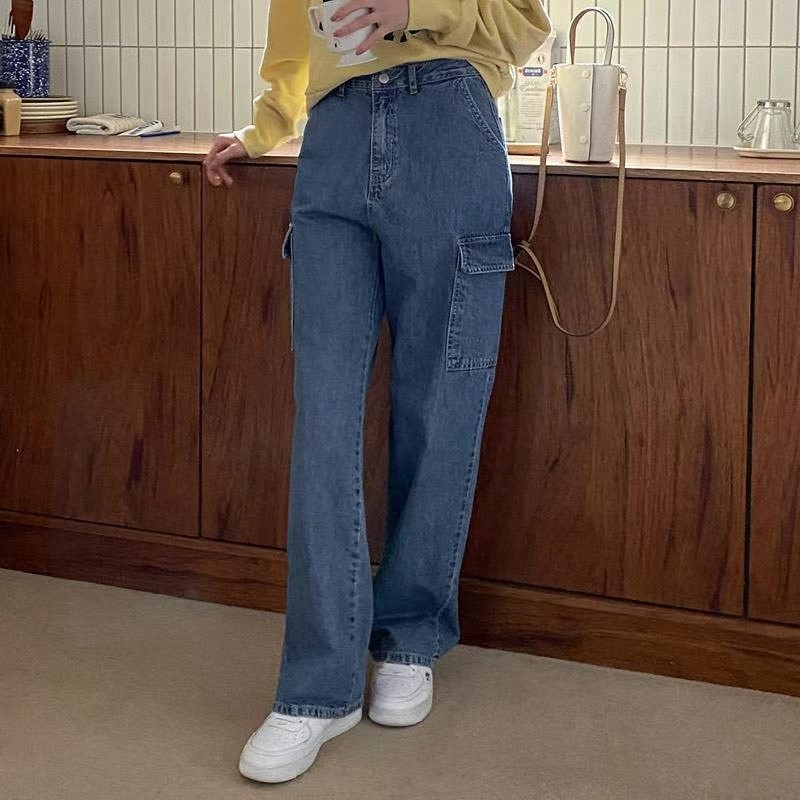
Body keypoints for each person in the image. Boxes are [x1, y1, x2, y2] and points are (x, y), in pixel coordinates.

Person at [203, 0, 550, 784]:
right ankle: (318, 688)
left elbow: (524, 24)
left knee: (439, 404)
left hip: (448, 122)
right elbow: (292, 55)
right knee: (323, 416)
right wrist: (262, 130)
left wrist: (413, 10)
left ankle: (410, 638)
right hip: (333, 139)